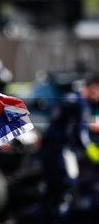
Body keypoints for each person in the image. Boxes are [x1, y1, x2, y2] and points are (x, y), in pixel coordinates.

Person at [40, 75, 99, 224]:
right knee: (66, 190)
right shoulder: (81, 103)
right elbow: (81, 136)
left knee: (51, 194)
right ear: (93, 86)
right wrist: (95, 155)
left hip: (48, 149)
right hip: (62, 151)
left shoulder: (67, 97)